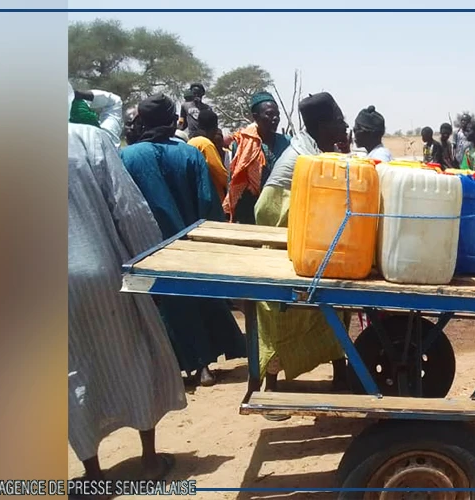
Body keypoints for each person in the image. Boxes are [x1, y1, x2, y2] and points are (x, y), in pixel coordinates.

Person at [67, 87, 184, 488]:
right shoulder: (89, 138)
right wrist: (151, 265)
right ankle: (149, 461)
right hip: (101, 269)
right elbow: (128, 207)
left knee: (70, 372)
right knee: (133, 353)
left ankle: (93, 475)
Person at [120, 94, 245, 386]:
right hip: (188, 244)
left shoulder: (127, 157)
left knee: (162, 307)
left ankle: (169, 370)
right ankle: (203, 366)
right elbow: (207, 202)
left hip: (146, 247)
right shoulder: (190, 154)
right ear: (172, 121)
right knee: (195, 300)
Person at [254, 92, 354, 420]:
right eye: (338, 119)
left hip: (306, 229)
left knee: (335, 300)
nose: (343, 124)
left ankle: (342, 375)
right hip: (282, 222)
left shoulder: (317, 148)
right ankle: (271, 387)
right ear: (322, 124)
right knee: (283, 309)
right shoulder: (304, 156)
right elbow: (274, 210)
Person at [225, 91, 291, 224]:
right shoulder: (242, 144)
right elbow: (236, 179)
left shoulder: (287, 142)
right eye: (269, 114)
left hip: (280, 206)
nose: (275, 118)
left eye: (277, 114)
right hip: (249, 209)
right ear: (255, 117)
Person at [187, 108, 230, 201]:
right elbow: (219, 172)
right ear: (214, 127)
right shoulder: (205, 144)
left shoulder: (191, 142)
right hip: (212, 198)